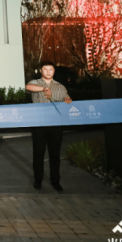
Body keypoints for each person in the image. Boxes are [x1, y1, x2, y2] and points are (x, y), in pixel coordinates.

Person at [26, 61, 72, 192]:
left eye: (50, 69)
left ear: (54, 71)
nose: (48, 71)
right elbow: (28, 87)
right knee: (38, 153)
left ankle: (55, 181)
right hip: (39, 124)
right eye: (45, 69)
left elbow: (67, 98)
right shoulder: (36, 83)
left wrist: (68, 100)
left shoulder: (60, 86)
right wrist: (43, 89)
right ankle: (38, 180)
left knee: (55, 154)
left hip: (55, 124)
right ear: (41, 71)